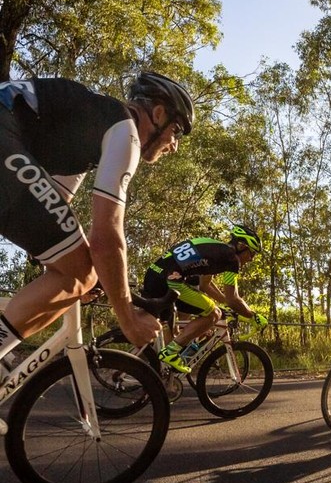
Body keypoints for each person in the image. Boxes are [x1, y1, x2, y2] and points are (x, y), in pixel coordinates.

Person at [0, 72, 195, 433]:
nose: (175, 144)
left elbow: (53, 215)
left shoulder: (82, 136)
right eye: (177, 130)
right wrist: (128, 318)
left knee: (76, 274)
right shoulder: (125, 131)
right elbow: (107, 237)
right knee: (79, 272)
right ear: (157, 113)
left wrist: (96, 275)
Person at [142, 225, 267, 373]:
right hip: (170, 282)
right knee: (214, 314)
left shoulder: (216, 250)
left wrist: (227, 304)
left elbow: (205, 285)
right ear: (241, 246)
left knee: (174, 333)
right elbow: (233, 298)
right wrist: (253, 316)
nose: (251, 259)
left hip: (155, 276)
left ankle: (158, 373)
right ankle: (170, 353)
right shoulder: (231, 260)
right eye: (251, 253)